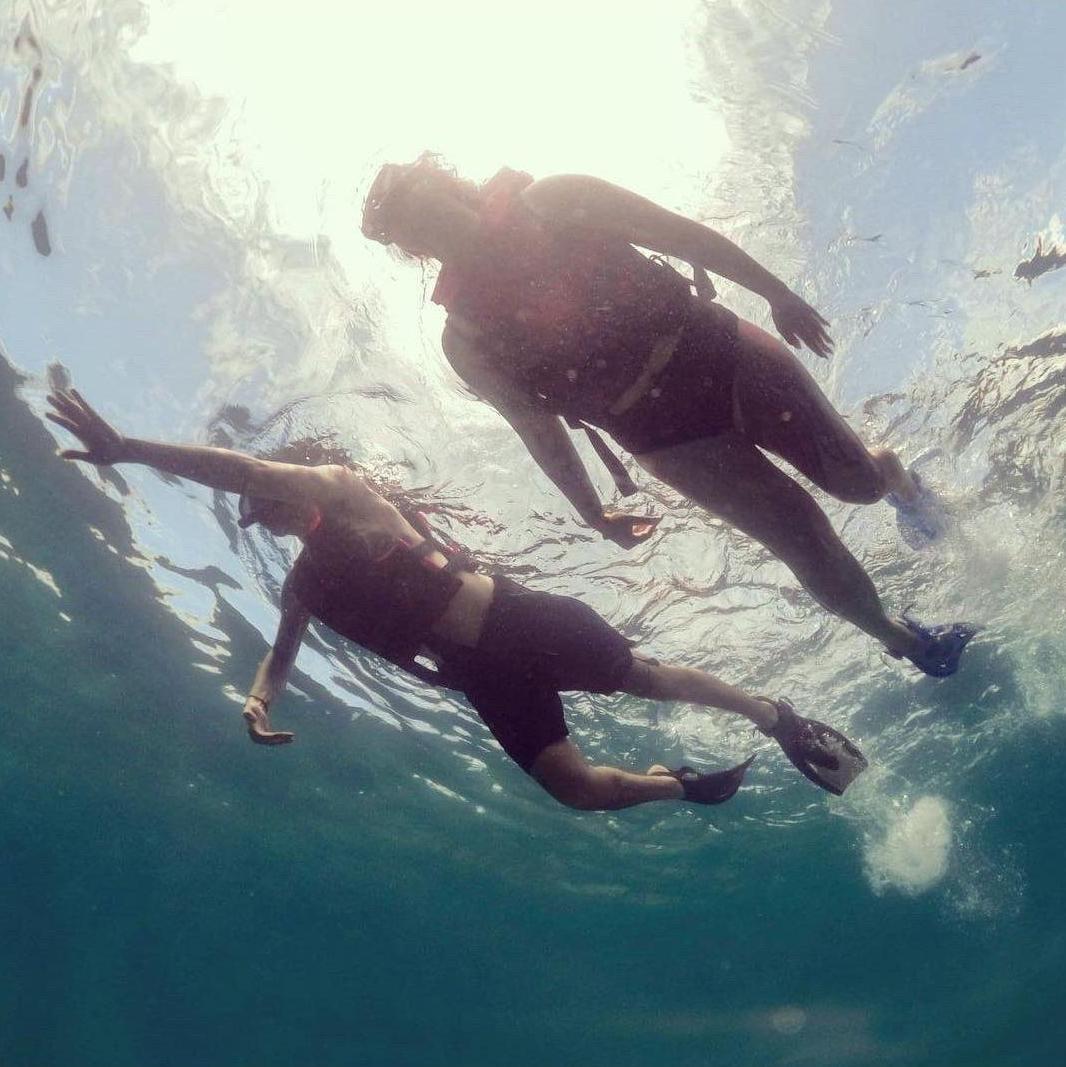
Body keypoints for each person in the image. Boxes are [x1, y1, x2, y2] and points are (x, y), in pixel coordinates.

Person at [45, 387, 868, 810]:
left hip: (521, 621)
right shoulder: (305, 580)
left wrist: (132, 449)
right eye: (264, 514)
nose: (273, 509)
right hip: (484, 680)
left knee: (647, 677)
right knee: (576, 791)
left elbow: (247, 470)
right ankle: (679, 786)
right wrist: (257, 699)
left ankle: (773, 712)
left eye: (272, 497)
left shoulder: (348, 489)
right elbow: (282, 650)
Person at [360, 156, 974, 678]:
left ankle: (893, 478)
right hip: (664, 435)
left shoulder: (554, 199)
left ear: (453, 183)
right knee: (801, 541)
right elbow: (536, 427)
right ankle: (905, 641)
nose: (436, 225)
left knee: (856, 485)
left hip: (722, 351)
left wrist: (776, 292)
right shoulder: (466, 339)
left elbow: (680, 235)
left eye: (432, 203)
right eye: (419, 229)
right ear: (414, 251)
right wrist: (591, 511)